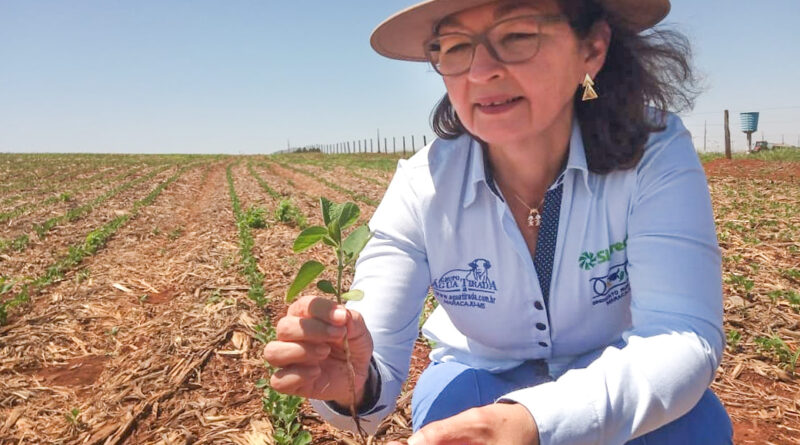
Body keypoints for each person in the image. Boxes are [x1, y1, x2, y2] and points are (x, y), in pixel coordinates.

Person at [263, 0, 733, 443]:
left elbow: (679, 336)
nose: (481, 70)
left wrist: (535, 421)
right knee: (453, 419)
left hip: (619, 369)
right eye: (456, 46)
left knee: (692, 428)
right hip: (478, 377)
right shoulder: (422, 186)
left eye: (517, 35)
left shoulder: (651, 153)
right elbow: (374, 374)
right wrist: (352, 382)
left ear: (591, 49)